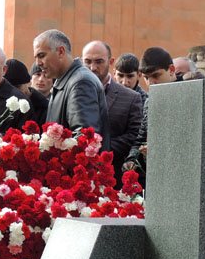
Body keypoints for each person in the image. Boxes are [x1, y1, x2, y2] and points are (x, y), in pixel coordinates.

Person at [32, 30, 109, 143]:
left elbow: (84, 138)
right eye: (36, 57)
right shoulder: (68, 80)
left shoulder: (80, 82)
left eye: (41, 55)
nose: (38, 63)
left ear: (61, 52)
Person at [122, 47, 181, 180]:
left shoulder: (190, 94)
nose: (151, 82)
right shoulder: (150, 102)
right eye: (147, 78)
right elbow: (141, 138)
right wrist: (132, 159)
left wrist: (160, 151)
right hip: (157, 176)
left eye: (156, 75)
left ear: (171, 70)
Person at [82, 41, 142, 167]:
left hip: (111, 172)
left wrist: (100, 150)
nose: (92, 67)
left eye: (99, 61)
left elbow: (133, 135)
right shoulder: (71, 92)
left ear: (110, 61)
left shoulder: (131, 97)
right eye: (88, 61)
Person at [5, 58, 47, 127]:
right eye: (10, 90)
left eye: (18, 88)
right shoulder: (4, 104)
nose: (14, 93)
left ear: (26, 83)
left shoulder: (43, 106)